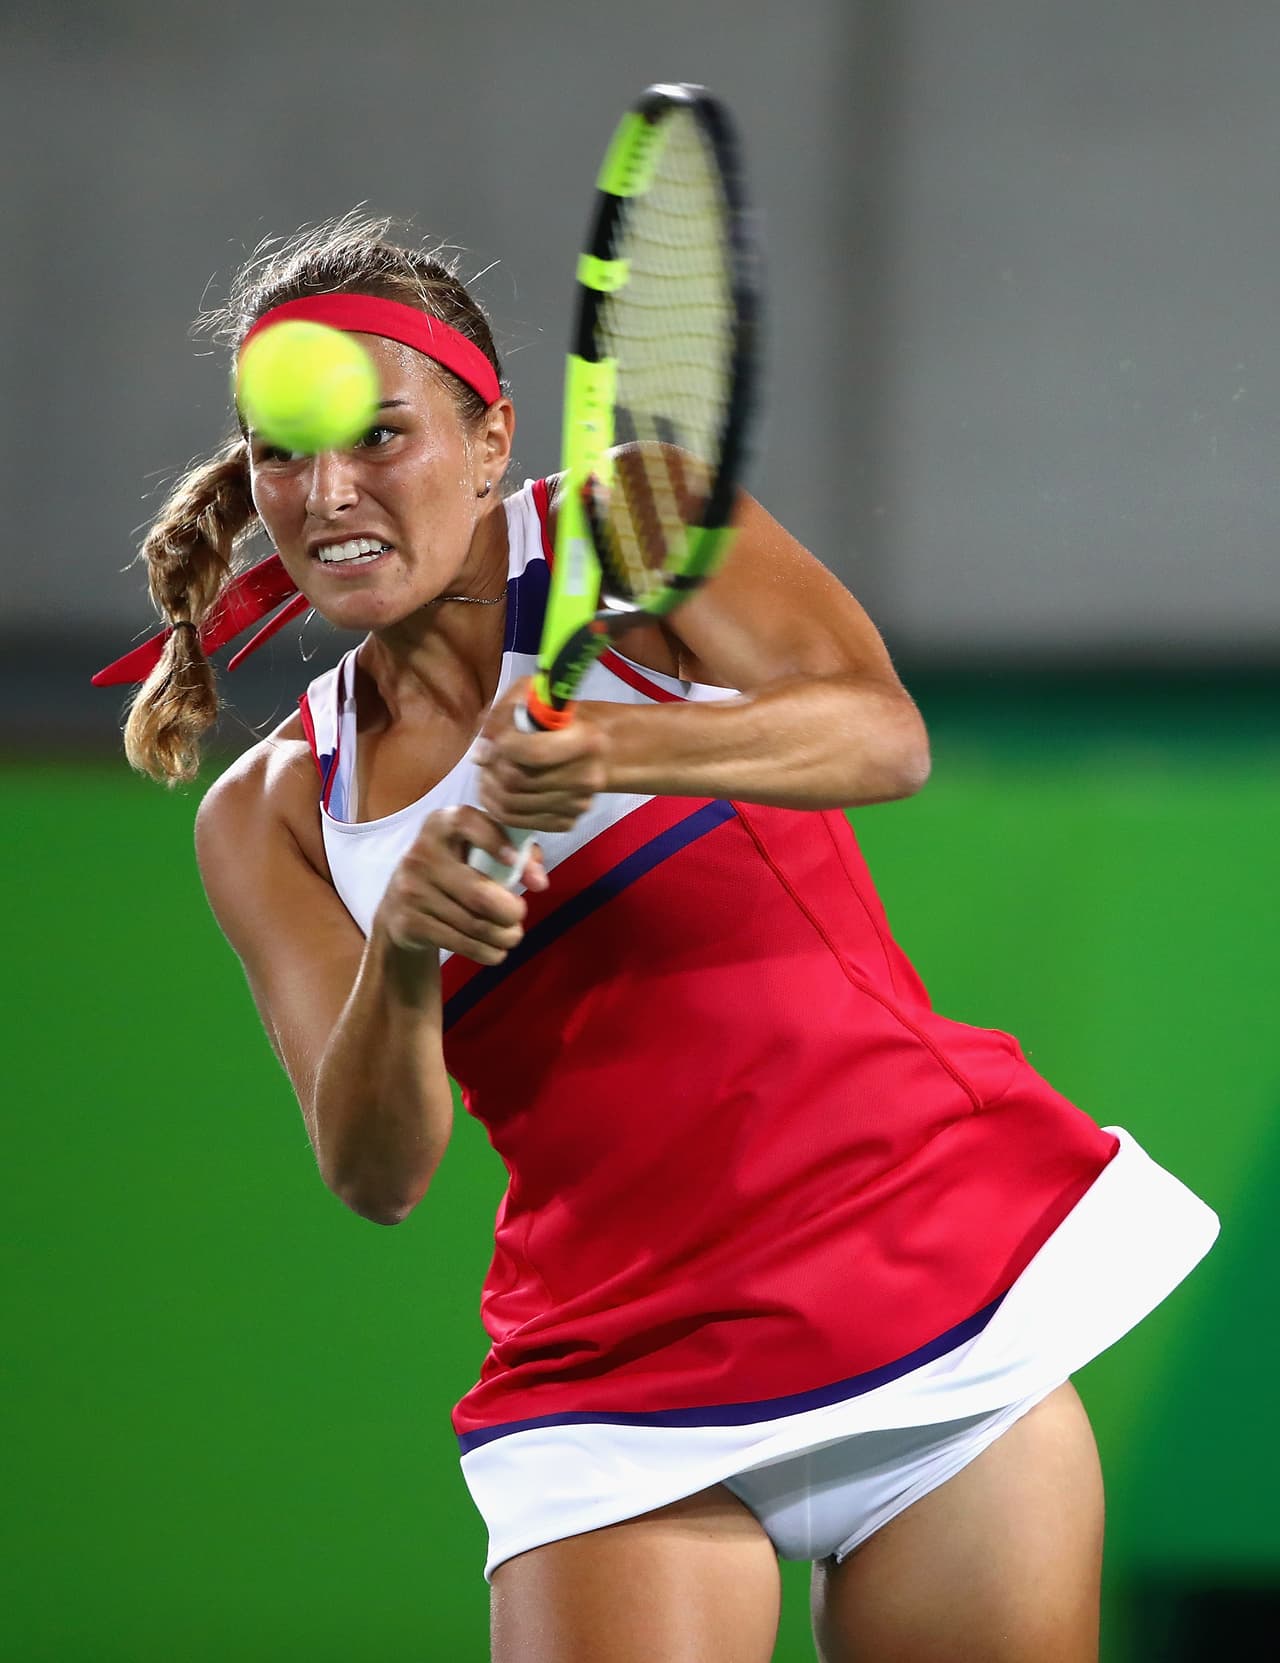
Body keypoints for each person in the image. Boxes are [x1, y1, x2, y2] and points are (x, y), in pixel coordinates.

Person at [105, 212, 1218, 1663]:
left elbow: (882, 737)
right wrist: (408, 954)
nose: (327, 491)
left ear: (492, 438)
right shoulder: (271, 817)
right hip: (616, 1371)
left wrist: (623, 748)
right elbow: (379, 1173)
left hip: (923, 1269)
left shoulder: (633, 529)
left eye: (383, 438)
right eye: (283, 453)